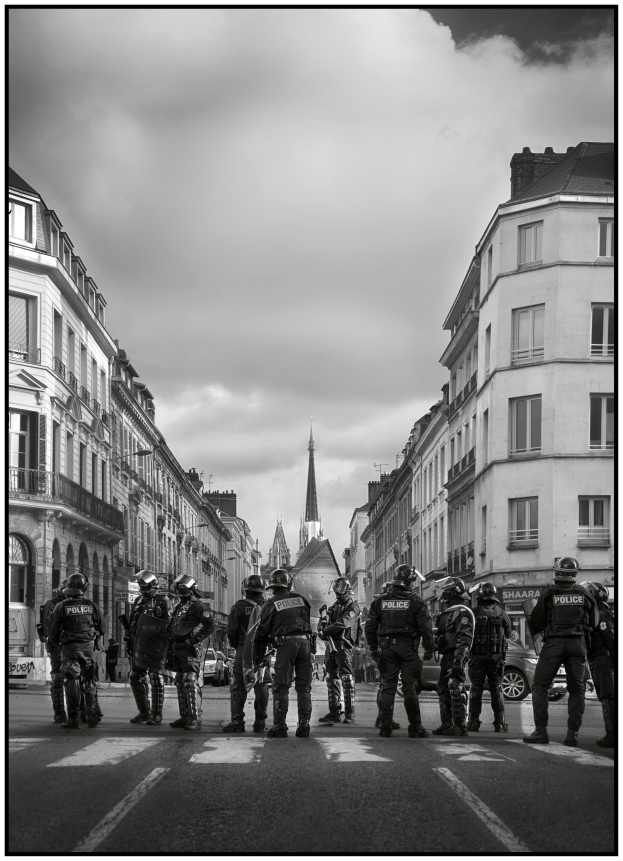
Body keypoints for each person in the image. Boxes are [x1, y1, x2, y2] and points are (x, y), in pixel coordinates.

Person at [523, 557, 598, 746]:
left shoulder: (549, 593)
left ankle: (541, 731)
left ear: (557, 573)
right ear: (575, 574)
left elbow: (537, 621)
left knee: (540, 686)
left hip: (554, 643)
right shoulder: (585, 593)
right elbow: (594, 623)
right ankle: (572, 734)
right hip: (577, 644)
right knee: (577, 689)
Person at [365, 564, 434, 738]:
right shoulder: (417, 601)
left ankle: (386, 726)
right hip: (408, 648)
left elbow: (370, 628)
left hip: (387, 648)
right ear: (410, 580)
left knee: (388, 686)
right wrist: (429, 649)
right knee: (409, 687)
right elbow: (425, 628)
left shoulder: (379, 601)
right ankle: (415, 727)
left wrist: (374, 648)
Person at [255, 568, 313, 738]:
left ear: (273, 586)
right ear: (289, 583)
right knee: (304, 687)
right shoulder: (302, 600)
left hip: (286, 644)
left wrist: (259, 656)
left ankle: (280, 725)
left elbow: (262, 632)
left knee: (281, 686)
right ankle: (304, 725)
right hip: (305, 644)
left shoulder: (271, 603)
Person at [47, 573, 105, 729]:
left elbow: (52, 633)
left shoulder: (60, 606)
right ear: (84, 588)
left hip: (69, 649)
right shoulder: (91, 605)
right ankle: (92, 716)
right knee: (90, 681)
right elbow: (103, 627)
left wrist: (58, 642)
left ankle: (74, 718)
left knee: (72, 682)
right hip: (88, 649)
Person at [222, 574, 270, 733]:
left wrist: (238, 647)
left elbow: (232, 631)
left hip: (244, 649)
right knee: (261, 686)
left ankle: (238, 722)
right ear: (262, 590)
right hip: (264, 650)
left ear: (246, 589)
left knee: (239, 686)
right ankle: (260, 722)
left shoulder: (239, 607)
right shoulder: (268, 607)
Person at [168, 573, 214, 732]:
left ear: (191, 589)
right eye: (179, 588)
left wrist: (193, 640)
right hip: (177, 648)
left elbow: (210, 626)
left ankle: (195, 718)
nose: (180, 591)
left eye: (183, 588)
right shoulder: (179, 606)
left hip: (190, 649)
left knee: (190, 680)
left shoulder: (197, 606)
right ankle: (185, 716)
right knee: (180, 681)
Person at [127, 571, 172, 725]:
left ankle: (157, 714)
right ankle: (144, 712)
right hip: (140, 644)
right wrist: (130, 640)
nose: (143, 589)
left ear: (153, 585)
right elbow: (134, 621)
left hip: (156, 645)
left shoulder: (163, 600)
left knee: (156, 678)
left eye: (145, 586)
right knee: (135, 677)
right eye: (141, 586)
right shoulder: (139, 600)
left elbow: (169, 624)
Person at [433, 577, 475, 737]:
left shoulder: (462, 611)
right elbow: (445, 634)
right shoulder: (450, 611)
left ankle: (459, 725)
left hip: (456, 655)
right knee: (442, 687)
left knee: (455, 686)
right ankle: (447, 722)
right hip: (448, 655)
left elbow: (465, 638)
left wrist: (459, 660)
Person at [317, 577, 362, 725]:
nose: (337, 590)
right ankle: (334, 711)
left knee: (346, 679)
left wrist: (326, 631)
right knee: (331, 677)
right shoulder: (333, 607)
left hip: (343, 645)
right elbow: (324, 624)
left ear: (347, 589)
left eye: (340, 586)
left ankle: (350, 714)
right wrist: (321, 627)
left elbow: (343, 623)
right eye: (336, 586)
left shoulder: (353, 607)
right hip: (331, 645)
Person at [468, 582, 511, 732]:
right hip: (496, 657)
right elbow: (508, 634)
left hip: (477, 657)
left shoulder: (473, 613)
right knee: (496, 687)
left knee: (476, 687)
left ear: (480, 596)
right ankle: (500, 721)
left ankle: (473, 721)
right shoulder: (502, 613)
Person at [580, 580, 615, 748]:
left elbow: (611, 639)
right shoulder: (595, 612)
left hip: (603, 660)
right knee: (607, 696)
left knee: (608, 697)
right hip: (599, 660)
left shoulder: (601, 613)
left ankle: (612, 736)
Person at [38, 581, 68, 723]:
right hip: (70, 644)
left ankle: (61, 714)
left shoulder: (52, 604)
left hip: (58, 644)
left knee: (58, 677)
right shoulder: (85, 604)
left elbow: (45, 629)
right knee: (83, 678)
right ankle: (87, 712)